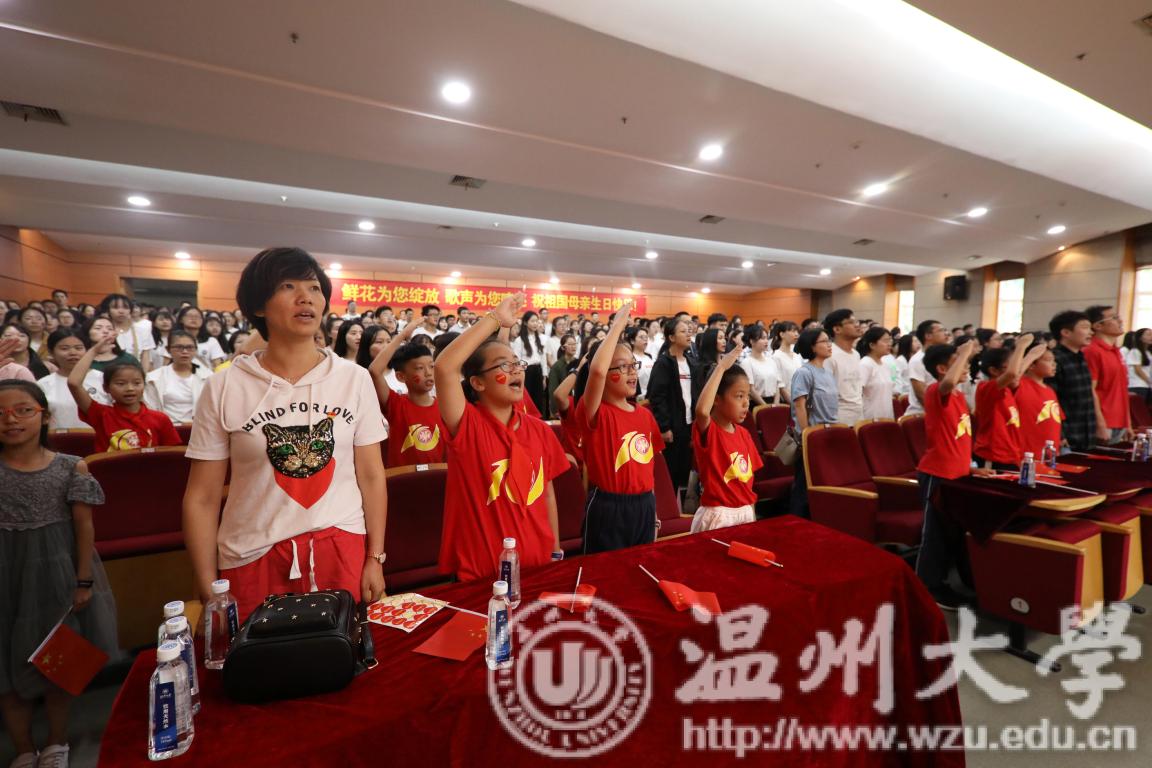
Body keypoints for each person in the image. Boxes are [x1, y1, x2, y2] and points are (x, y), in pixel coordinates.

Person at [182, 247, 388, 615]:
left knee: (343, 646)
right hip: (252, 553)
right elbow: (202, 497)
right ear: (258, 306)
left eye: (314, 288)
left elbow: (371, 476)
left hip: (340, 547)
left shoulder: (353, 379)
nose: (305, 297)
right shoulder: (225, 386)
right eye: (287, 286)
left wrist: (375, 557)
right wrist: (207, 583)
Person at [0, 380, 117, 768]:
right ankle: (22, 749)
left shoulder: (70, 467)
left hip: (55, 573)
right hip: (6, 574)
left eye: (23, 410)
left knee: (57, 661)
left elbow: (84, 527)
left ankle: (56, 741)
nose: (11, 420)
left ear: (45, 416)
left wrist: (83, 579)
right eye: (1, 414)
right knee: (4, 664)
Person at [433, 293, 567, 582]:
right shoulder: (468, 426)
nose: (517, 369)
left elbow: (547, 494)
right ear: (477, 382)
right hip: (484, 575)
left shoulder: (540, 430)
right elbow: (444, 368)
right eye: (503, 365)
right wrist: (494, 319)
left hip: (539, 565)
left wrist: (555, 550)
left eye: (517, 363)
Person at [577, 303, 665, 553]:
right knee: (604, 570)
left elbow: (648, 468)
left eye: (633, 365)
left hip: (644, 504)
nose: (631, 372)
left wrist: (653, 510)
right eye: (622, 367)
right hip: (608, 507)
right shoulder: (595, 411)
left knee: (640, 566)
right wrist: (616, 327)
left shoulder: (645, 415)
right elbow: (596, 370)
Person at [914, 340, 982, 610]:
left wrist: (972, 468)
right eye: (959, 363)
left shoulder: (958, 397)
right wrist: (964, 350)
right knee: (935, 535)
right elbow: (947, 383)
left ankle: (955, 581)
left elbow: (958, 439)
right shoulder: (935, 390)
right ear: (942, 368)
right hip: (937, 474)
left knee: (954, 532)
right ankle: (928, 587)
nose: (966, 367)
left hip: (958, 473)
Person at [691, 343, 762, 532]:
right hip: (718, 515)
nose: (746, 403)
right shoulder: (710, 430)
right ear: (716, 398)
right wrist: (721, 367)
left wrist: (751, 513)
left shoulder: (744, 434)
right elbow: (702, 411)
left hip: (745, 512)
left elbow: (749, 483)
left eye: (747, 396)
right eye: (739, 396)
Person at [68, 334, 180, 453]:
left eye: (137, 383)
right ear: (106, 388)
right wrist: (94, 351)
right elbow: (74, 383)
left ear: (144, 385)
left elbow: (171, 454)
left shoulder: (160, 418)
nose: (130, 388)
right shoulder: (101, 415)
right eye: (121, 384)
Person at [368, 322, 447, 468]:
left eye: (431, 366)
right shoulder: (396, 404)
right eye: (420, 368)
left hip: (438, 477)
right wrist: (402, 336)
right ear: (401, 376)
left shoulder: (444, 408)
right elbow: (374, 371)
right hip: (403, 478)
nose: (428, 373)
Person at [646, 316, 702, 494]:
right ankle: (668, 507)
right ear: (671, 337)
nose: (688, 335)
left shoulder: (692, 362)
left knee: (685, 470)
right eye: (683, 332)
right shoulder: (664, 363)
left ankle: (681, 506)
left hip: (689, 424)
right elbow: (657, 397)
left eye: (689, 331)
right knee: (670, 473)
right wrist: (664, 427)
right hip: (672, 426)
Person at [972, 337, 1044, 470]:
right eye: (1011, 366)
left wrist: (1031, 356)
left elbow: (1015, 374)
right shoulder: (986, 388)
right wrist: (1021, 346)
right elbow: (1012, 374)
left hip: (1011, 455)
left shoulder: (1007, 389)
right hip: (993, 456)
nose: (1017, 371)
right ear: (994, 371)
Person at [788, 328, 838, 518]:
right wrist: (806, 435)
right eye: (824, 341)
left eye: (829, 340)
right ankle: (796, 522)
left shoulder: (827, 372)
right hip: (811, 437)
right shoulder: (804, 372)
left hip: (827, 435)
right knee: (803, 486)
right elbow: (799, 406)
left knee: (821, 483)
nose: (829, 344)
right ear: (812, 347)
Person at [1047, 310, 1097, 453]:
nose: (1091, 332)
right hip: (1067, 437)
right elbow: (1051, 401)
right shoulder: (1055, 360)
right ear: (1066, 332)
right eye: (1085, 327)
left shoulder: (1081, 357)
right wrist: (1060, 434)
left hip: (1085, 434)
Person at [37, 329, 106, 430]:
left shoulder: (103, 378)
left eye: (78, 348)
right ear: (51, 352)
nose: (73, 353)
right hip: (58, 438)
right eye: (64, 348)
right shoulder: (43, 384)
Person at [1083, 305, 1132, 444]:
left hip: (1119, 422)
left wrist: (1127, 423)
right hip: (1104, 422)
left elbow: (1121, 390)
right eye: (1114, 318)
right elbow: (1090, 390)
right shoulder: (1092, 351)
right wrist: (1100, 424)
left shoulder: (1116, 351)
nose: (1120, 321)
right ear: (1098, 326)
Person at [144, 330, 212, 425]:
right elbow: (151, 409)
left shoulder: (208, 377)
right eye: (179, 347)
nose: (185, 351)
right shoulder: (154, 378)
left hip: (199, 427)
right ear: (168, 349)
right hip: (166, 427)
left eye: (189, 347)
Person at [1016, 342, 1065, 458]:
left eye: (1054, 360)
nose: (1054, 364)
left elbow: (1056, 420)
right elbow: (1013, 377)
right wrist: (1030, 355)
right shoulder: (1020, 385)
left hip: (1048, 455)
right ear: (1031, 365)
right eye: (1048, 360)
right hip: (1027, 454)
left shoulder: (1050, 391)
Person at [824, 309, 864, 425]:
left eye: (856, 321)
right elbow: (824, 394)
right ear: (837, 329)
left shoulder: (856, 354)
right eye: (851, 322)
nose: (857, 325)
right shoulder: (829, 355)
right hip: (839, 418)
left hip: (858, 416)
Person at [98, 294, 154, 371]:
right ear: (107, 310)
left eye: (125, 307)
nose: (121, 311)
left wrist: (143, 375)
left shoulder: (142, 330)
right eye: (115, 307)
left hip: (135, 372)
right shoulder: (103, 332)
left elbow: (145, 356)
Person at [905, 319, 949, 417]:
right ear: (928, 336)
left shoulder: (943, 357)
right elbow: (921, 394)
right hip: (922, 415)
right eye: (941, 330)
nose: (946, 333)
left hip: (942, 411)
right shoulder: (917, 360)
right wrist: (939, 413)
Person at [511, 311, 548, 417]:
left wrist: (544, 376)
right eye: (532, 321)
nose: (535, 324)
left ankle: (539, 420)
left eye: (537, 321)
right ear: (525, 323)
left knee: (538, 398)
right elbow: (517, 360)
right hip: (526, 372)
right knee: (528, 399)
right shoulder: (519, 340)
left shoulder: (540, 338)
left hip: (538, 370)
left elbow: (543, 358)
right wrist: (521, 373)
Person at [858, 326, 895, 420]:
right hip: (870, 418)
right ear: (872, 345)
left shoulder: (885, 365)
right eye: (885, 341)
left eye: (890, 340)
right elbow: (858, 393)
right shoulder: (865, 364)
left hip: (887, 417)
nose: (889, 344)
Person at [742, 325, 782, 406]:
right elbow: (751, 389)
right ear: (752, 341)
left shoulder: (771, 360)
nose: (766, 341)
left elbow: (777, 384)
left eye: (767, 338)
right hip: (757, 403)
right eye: (762, 338)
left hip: (774, 402)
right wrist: (766, 407)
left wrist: (776, 404)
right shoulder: (747, 362)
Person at [770, 321, 800, 404]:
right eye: (793, 331)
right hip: (787, 402)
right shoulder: (776, 356)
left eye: (797, 331)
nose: (796, 334)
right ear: (782, 334)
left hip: (800, 398)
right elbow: (781, 386)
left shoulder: (796, 355)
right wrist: (794, 405)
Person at [547, 333, 579, 407]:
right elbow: (553, 390)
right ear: (562, 347)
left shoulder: (578, 363)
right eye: (570, 344)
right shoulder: (557, 366)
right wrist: (555, 409)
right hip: (564, 403)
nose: (573, 346)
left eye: (574, 344)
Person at [625, 326, 653, 399]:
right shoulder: (630, 358)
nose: (645, 339)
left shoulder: (649, 357)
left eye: (646, 337)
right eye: (641, 337)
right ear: (632, 341)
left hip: (651, 396)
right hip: (638, 397)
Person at [1123, 328, 1152, 401]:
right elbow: (1138, 370)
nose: (1151, 337)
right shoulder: (1135, 351)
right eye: (1149, 334)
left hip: (1146, 385)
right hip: (1137, 385)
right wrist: (1149, 381)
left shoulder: (1148, 353)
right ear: (1140, 338)